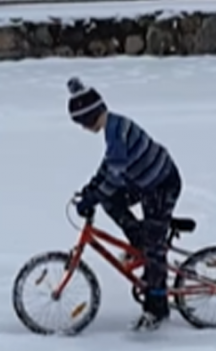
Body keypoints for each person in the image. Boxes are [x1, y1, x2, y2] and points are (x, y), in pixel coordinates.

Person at [67, 77, 182, 331]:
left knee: (155, 248)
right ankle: (138, 239)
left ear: (90, 117)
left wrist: (94, 195)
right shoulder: (112, 129)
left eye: (81, 123)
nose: (82, 129)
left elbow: (116, 173)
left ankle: (157, 307)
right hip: (144, 183)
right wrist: (91, 190)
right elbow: (107, 169)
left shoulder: (117, 132)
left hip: (161, 184)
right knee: (110, 198)